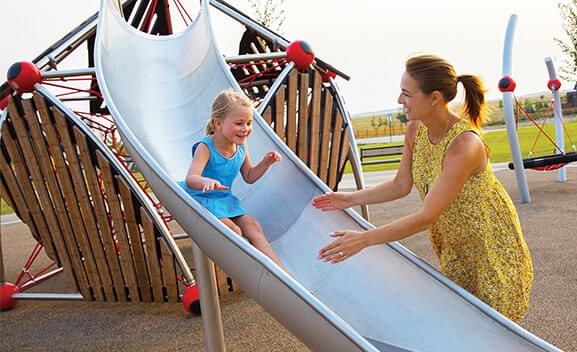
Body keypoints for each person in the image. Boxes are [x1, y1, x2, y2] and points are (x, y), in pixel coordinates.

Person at [313, 54, 533, 321]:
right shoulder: (416, 129)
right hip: (457, 243)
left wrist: (364, 239)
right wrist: (349, 198)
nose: (399, 100)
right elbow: (401, 184)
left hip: (490, 244)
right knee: (461, 322)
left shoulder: (464, 145)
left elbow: (426, 217)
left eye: (407, 93)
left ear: (435, 98)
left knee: (492, 328)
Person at [180, 89, 287, 271]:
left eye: (248, 123)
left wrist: (265, 163)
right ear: (218, 123)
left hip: (223, 200)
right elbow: (191, 179)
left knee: (253, 226)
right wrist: (205, 181)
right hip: (201, 199)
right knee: (234, 230)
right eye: (239, 123)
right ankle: (254, 270)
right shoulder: (206, 147)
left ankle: (280, 271)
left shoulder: (241, 146)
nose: (245, 128)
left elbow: (249, 176)